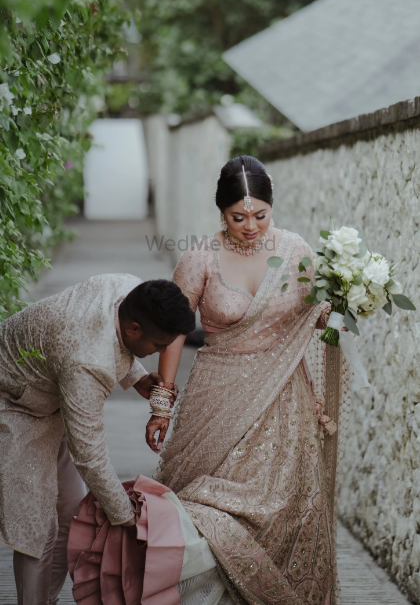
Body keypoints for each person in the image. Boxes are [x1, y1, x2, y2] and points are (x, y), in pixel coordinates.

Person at [145, 155, 351, 605]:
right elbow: (175, 331)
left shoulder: (296, 252)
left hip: (284, 399)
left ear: (271, 208)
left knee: (285, 509)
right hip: (217, 401)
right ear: (222, 211)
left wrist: (348, 301)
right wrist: (162, 402)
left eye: (261, 215)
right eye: (238, 217)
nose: (251, 226)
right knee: (205, 508)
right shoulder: (201, 255)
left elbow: (316, 319)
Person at [0, 273, 195, 605]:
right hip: (14, 403)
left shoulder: (127, 288)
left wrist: (136, 378)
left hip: (54, 391)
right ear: (134, 329)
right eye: (158, 345)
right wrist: (128, 520)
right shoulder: (87, 365)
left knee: (68, 512)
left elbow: (108, 336)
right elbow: (89, 456)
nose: (160, 353)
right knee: (37, 524)